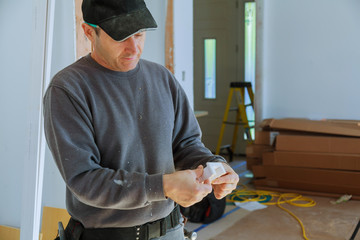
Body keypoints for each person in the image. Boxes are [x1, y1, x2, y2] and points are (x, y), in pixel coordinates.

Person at [43, 0, 239, 239]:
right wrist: (163, 186)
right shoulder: (68, 89)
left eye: (139, 34)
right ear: (89, 32)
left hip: (171, 229)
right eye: (120, 37)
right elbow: (85, 180)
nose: (134, 48)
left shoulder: (162, 78)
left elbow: (186, 146)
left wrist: (216, 167)